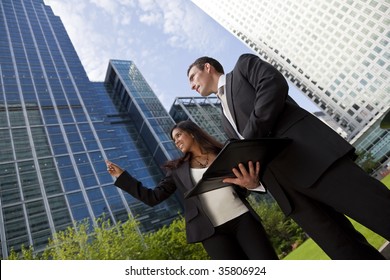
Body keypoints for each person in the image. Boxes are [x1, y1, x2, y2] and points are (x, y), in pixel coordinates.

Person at [187, 53, 390, 260]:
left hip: (313, 160)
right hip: (289, 194)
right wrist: (252, 182)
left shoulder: (243, 66)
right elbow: (250, 155)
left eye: (193, 77)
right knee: (346, 252)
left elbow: (272, 85)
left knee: (380, 213)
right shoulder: (223, 118)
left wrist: (248, 140)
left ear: (208, 67)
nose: (192, 85)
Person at [106, 120, 278, 260]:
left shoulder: (224, 152)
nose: (177, 141)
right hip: (212, 233)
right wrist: (123, 177)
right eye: (174, 140)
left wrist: (251, 184)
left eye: (179, 135)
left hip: (243, 219)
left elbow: (246, 181)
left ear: (192, 133)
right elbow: (153, 197)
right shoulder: (177, 170)